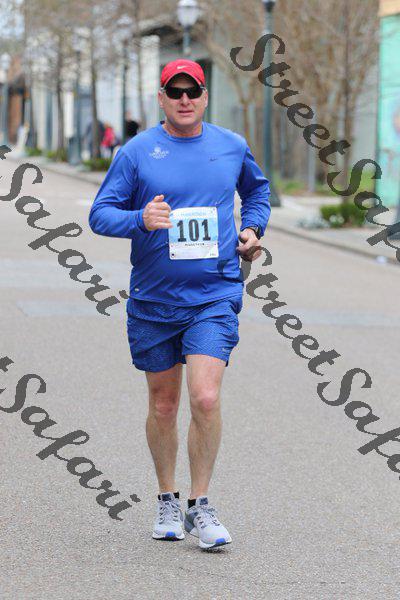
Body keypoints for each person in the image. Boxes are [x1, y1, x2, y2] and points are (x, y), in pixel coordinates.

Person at [89, 59, 271, 550]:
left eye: (193, 91)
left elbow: (257, 193)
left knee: (205, 397)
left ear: (206, 97)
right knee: (164, 404)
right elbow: (100, 215)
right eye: (175, 91)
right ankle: (167, 498)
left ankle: (200, 504)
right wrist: (140, 219)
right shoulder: (136, 151)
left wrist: (252, 229)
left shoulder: (231, 146)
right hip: (154, 300)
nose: (185, 99)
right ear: (162, 98)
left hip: (214, 294)